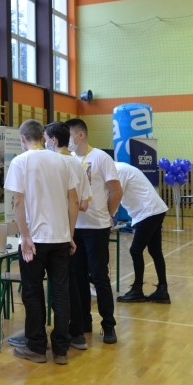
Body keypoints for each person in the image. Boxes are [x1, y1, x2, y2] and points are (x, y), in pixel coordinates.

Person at [4, 119, 78, 365]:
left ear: (23, 139)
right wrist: (70, 234)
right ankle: (61, 349)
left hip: (35, 239)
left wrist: (25, 236)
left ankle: (36, 346)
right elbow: (73, 201)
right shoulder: (63, 161)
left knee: (33, 292)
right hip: (60, 238)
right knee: (61, 292)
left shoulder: (20, 161)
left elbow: (18, 202)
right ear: (43, 137)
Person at [65, 118, 123, 345]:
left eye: (69, 134)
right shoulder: (69, 159)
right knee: (77, 276)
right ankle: (83, 322)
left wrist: (108, 213)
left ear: (80, 135)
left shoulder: (101, 157)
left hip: (97, 227)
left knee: (99, 276)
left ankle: (108, 325)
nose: (67, 139)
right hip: (75, 227)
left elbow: (116, 190)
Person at [114, 162, 171, 304]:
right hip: (154, 210)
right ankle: (162, 290)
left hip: (148, 212)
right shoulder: (120, 167)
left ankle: (137, 290)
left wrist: (108, 216)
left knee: (135, 250)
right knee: (155, 251)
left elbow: (115, 194)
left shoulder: (118, 170)